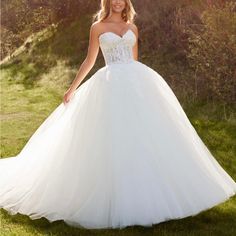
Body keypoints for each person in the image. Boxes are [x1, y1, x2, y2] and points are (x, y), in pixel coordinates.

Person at [0, 0, 236, 230]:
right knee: (112, 137)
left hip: (137, 82)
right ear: (108, 2)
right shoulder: (98, 27)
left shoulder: (133, 27)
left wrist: (139, 90)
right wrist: (71, 88)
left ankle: (149, 190)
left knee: (147, 137)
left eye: (121, 0)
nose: (118, 3)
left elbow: (133, 59)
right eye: (113, 0)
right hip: (110, 83)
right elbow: (90, 59)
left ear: (126, 2)